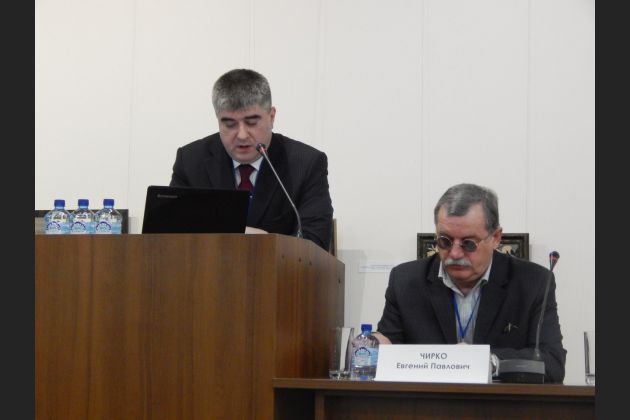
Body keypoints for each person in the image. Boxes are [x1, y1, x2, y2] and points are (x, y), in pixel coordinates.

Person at [374, 183, 567, 383]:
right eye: (445, 241)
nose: (455, 254)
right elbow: (387, 348)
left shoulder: (533, 282)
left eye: (468, 244)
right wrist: (373, 346)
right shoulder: (405, 280)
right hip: (427, 400)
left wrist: (486, 362)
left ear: (495, 238)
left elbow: (552, 362)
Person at [170, 69, 333, 250]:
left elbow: (315, 243)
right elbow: (170, 235)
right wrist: (240, 233)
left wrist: (265, 242)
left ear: (271, 117)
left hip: (276, 269)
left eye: (252, 122)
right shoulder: (191, 161)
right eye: (229, 124)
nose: (241, 135)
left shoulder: (306, 164)